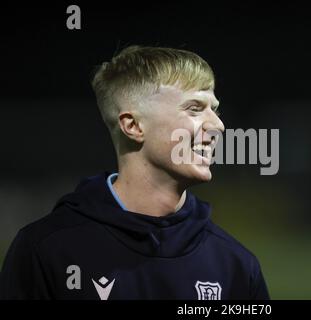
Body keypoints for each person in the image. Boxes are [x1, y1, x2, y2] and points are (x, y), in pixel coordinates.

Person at [0, 45, 270, 300]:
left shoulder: (236, 266)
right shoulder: (47, 251)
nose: (218, 125)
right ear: (133, 126)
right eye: (195, 108)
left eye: (215, 109)